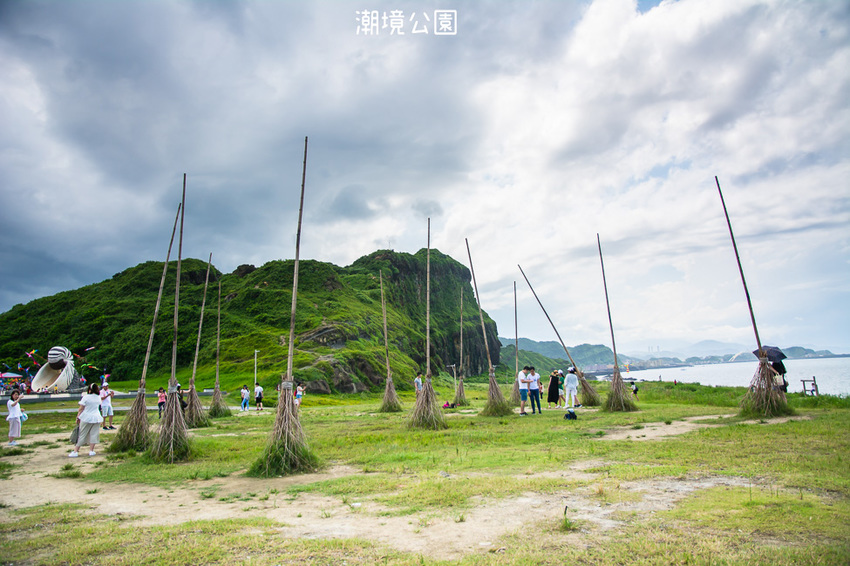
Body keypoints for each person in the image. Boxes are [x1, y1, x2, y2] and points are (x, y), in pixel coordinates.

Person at [71, 383, 103, 457]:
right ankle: (91, 450)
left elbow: (81, 408)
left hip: (86, 417)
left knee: (82, 434)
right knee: (94, 434)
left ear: (89, 390)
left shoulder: (86, 397)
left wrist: (78, 417)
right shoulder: (98, 397)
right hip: (96, 417)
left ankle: (76, 451)